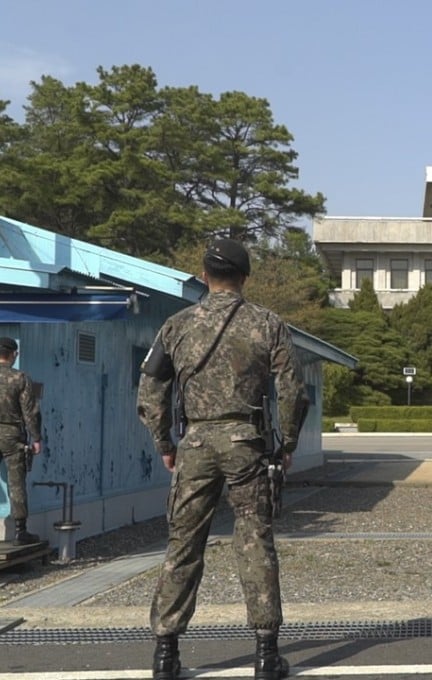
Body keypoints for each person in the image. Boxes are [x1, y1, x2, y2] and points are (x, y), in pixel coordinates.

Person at [137, 238, 309, 680]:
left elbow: (151, 393)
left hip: (194, 444)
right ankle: (267, 653)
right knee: (254, 542)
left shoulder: (175, 326)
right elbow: (293, 391)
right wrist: (286, 444)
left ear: (204, 274)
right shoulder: (267, 324)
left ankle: (165, 652)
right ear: (244, 277)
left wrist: (165, 444)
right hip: (246, 443)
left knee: (183, 544)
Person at [0, 337, 42, 545]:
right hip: (12, 436)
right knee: (16, 483)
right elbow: (30, 412)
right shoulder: (20, 378)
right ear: (13, 354)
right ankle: (20, 531)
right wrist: (36, 438)